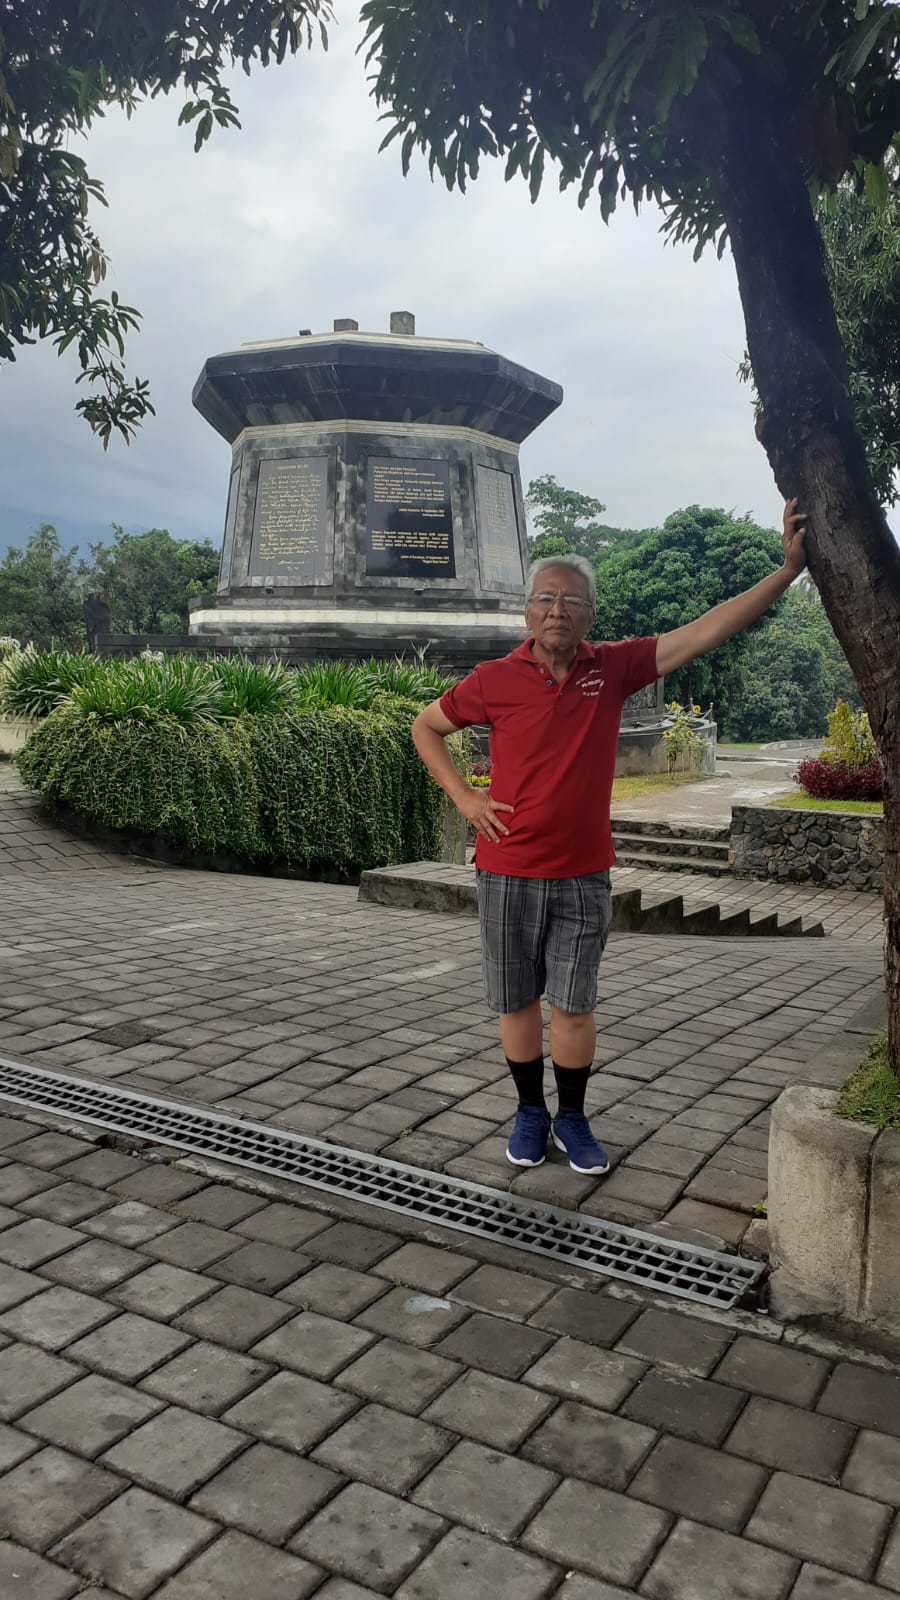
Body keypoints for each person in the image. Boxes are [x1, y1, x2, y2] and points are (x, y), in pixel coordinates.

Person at [411, 498, 808, 1175]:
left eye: (572, 601)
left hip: (581, 873)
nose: (557, 610)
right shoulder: (494, 680)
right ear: (527, 612)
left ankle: (572, 1116)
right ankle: (529, 1112)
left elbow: (704, 631)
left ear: (590, 615)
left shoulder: (613, 668)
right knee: (516, 1000)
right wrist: (465, 797)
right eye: (545, 598)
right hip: (506, 869)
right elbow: (426, 727)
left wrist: (787, 572)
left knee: (573, 1005)